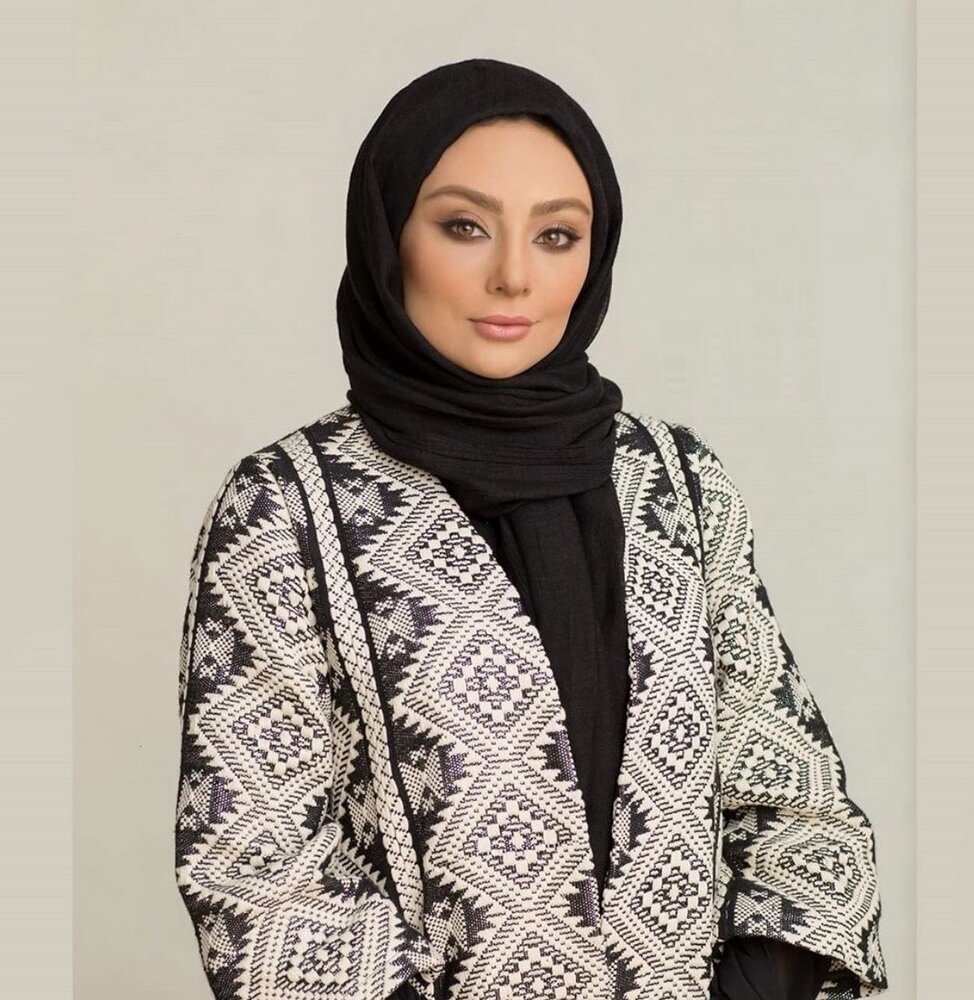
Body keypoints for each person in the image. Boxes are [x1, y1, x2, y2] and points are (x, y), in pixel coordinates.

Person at [173, 58, 888, 1000]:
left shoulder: (676, 481)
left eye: (556, 235)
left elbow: (793, 801)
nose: (513, 276)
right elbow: (254, 870)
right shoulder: (287, 506)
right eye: (464, 227)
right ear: (389, 237)